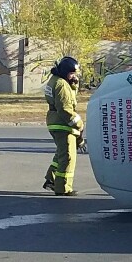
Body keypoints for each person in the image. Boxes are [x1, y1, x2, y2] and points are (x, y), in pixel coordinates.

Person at [43, 56, 84, 196]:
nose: (74, 76)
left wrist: (74, 85)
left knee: (61, 154)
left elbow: (68, 97)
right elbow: (66, 108)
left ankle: (51, 179)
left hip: (55, 122)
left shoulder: (57, 80)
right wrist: (78, 124)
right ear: (66, 71)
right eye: (72, 73)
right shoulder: (61, 84)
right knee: (67, 157)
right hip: (63, 125)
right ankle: (63, 187)